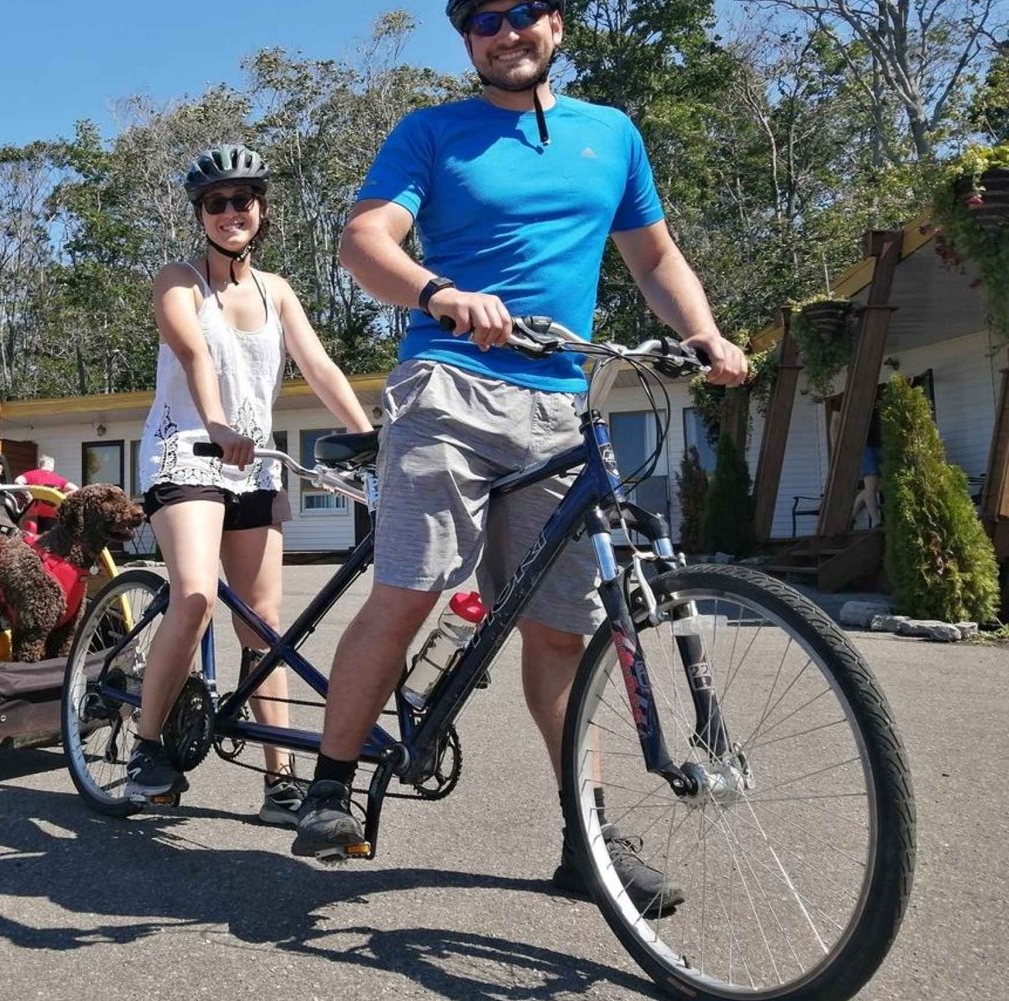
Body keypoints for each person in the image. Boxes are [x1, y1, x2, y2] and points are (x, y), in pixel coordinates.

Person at [288, 0, 748, 914]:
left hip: (558, 401)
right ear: (468, 41)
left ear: (557, 23)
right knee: (412, 586)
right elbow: (365, 241)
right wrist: (441, 290)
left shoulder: (610, 135)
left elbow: (655, 258)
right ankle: (331, 787)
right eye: (483, 20)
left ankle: (588, 838)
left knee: (561, 628)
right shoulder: (433, 132)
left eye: (522, 12)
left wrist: (702, 332)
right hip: (450, 385)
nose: (506, 33)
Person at [128, 143, 373, 824]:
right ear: (200, 215)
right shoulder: (179, 279)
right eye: (216, 203)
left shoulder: (279, 291)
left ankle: (281, 780)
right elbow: (193, 351)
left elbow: (318, 366)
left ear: (261, 209)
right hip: (188, 452)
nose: (231, 212)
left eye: (242, 200)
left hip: (255, 462)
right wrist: (214, 420)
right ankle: (146, 750)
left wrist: (367, 435)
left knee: (265, 625)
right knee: (198, 594)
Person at [15, 455, 77, 535]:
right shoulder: (59, 479)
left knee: (30, 541)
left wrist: (28, 494)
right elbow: (75, 489)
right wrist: (62, 498)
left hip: (33, 516)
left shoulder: (31, 474)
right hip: (52, 517)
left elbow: (18, 481)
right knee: (48, 543)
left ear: (40, 465)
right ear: (52, 466)